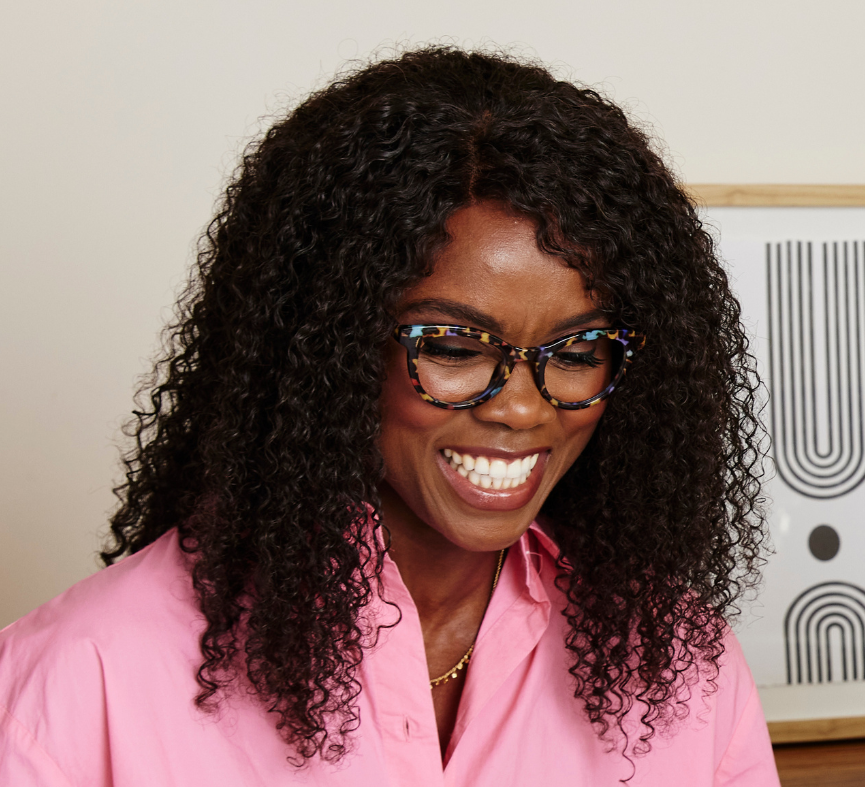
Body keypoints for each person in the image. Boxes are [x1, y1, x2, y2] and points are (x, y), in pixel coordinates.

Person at [0, 47, 780, 785]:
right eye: (452, 345)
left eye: (577, 351)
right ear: (327, 347)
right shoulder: (81, 680)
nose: (521, 406)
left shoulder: (679, 664)